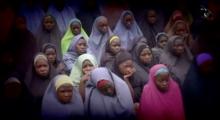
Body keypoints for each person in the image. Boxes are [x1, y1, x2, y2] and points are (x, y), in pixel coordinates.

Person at [183, 52, 220, 119]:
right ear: (200, 66)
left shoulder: (209, 74)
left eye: (211, 64)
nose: (210, 68)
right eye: (207, 65)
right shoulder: (192, 83)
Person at [24, 53, 57, 119]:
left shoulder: (56, 80)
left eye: (45, 66)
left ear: (49, 66)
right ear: (34, 68)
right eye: (39, 66)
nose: (42, 69)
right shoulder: (29, 83)